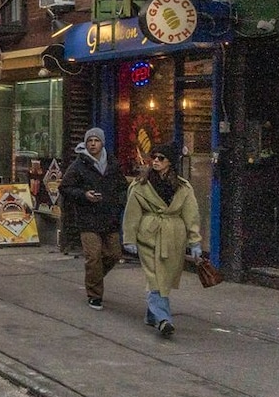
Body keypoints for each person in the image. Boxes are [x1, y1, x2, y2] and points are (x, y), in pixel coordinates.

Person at [124, 145, 203, 338]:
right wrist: (129, 239)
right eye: (154, 157)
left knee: (164, 278)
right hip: (148, 236)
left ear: (170, 162)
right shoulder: (140, 185)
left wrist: (195, 241)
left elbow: (191, 214)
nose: (156, 161)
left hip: (173, 237)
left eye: (161, 158)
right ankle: (163, 319)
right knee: (156, 278)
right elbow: (131, 214)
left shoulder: (183, 187)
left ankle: (152, 315)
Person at [60, 128, 124, 307]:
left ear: (102, 142)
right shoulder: (79, 164)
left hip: (109, 217)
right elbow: (65, 188)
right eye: (90, 141)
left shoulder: (112, 163)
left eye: (96, 140)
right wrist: (84, 195)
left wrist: (118, 204)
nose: (93, 144)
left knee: (114, 254)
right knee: (93, 256)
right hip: (87, 218)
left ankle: (94, 277)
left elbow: (122, 187)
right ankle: (94, 294)